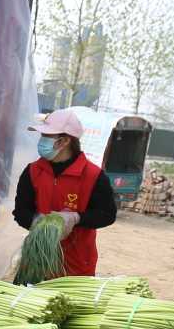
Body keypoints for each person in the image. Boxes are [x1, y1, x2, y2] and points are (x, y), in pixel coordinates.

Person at [13, 108, 117, 276]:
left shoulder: (93, 175)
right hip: (38, 261)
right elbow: (20, 211)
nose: (41, 141)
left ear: (64, 141)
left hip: (77, 263)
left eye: (47, 137)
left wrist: (76, 218)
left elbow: (107, 214)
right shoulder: (32, 171)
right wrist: (35, 221)